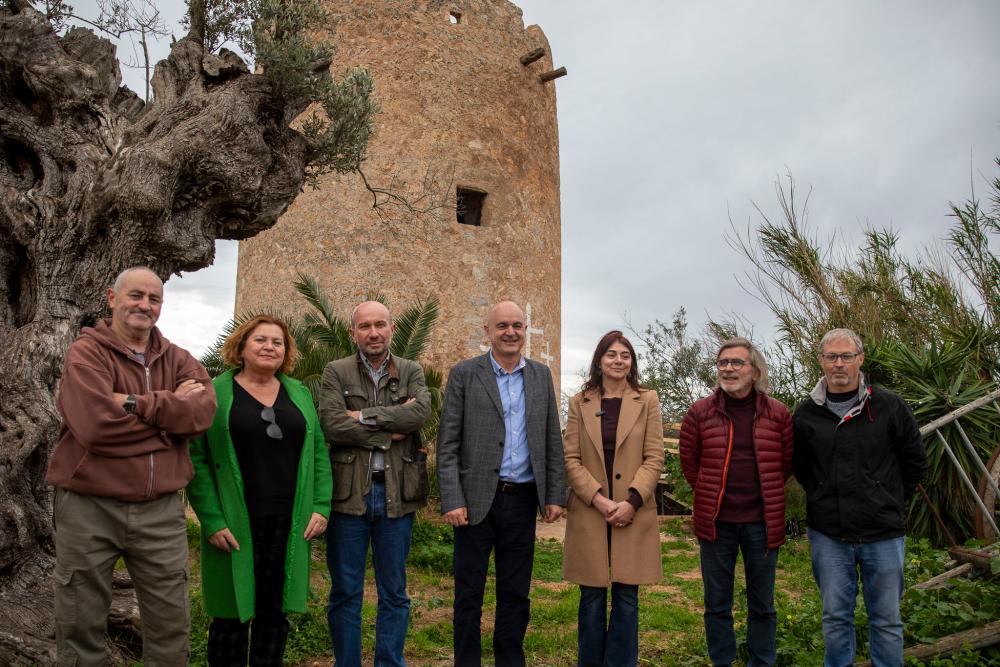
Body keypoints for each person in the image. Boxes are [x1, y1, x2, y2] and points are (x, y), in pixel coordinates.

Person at [46, 266, 216, 666]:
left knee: (170, 622)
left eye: (154, 299)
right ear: (112, 298)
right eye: (136, 296)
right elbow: (96, 429)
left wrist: (134, 403)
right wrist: (169, 420)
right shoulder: (85, 354)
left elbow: (202, 415)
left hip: (160, 510)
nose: (145, 305)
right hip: (90, 504)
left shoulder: (179, 358)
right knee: (80, 617)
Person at [187, 315, 332, 666]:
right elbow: (197, 459)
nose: (269, 347)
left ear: (286, 351)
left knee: (275, 613)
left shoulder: (298, 393)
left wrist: (321, 506)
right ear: (241, 346)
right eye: (260, 340)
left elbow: (319, 453)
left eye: (277, 342)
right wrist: (212, 520)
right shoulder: (215, 392)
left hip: (289, 520)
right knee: (231, 614)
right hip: (236, 521)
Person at [437, 300, 566, 667]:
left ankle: (510, 660)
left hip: (522, 500)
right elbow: (447, 444)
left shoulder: (540, 376)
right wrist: (452, 499)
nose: (511, 332)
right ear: (487, 332)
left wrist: (555, 493)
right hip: (476, 501)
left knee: (515, 593)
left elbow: (551, 439)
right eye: (502, 326)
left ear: (525, 330)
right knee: (468, 594)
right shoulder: (465, 374)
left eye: (517, 325)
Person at [793, 328, 926, 667]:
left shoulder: (889, 406)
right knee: (836, 620)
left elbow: (914, 462)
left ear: (860, 359)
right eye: (832, 357)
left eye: (846, 356)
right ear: (821, 361)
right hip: (829, 535)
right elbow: (801, 466)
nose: (839, 364)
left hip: (882, 533)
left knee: (887, 621)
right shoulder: (807, 413)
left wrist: (888, 499)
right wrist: (824, 494)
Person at [319, 301, 431, 667]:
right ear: (353, 333)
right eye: (364, 326)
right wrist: (387, 433)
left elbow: (419, 413)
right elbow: (332, 423)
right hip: (349, 496)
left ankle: (389, 662)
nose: (373, 332)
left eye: (380, 325)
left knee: (395, 592)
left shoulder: (411, 370)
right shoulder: (336, 372)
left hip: (398, 495)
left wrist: (364, 415)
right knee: (345, 592)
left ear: (392, 329)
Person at [679, 338, 793, 667]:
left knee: (763, 605)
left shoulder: (778, 414)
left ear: (755, 371)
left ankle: (762, 661)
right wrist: (708, 493)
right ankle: (722, 662)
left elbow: (784, 465)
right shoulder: (700, 412)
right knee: (716, 604)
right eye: (723, 363)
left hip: (762, 523)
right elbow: (690, 463)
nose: (727, 369)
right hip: (717, 525)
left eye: (736, 363)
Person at [562, 331, 664, 667]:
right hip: (592, 511)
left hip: (632, 512)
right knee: (591, 597)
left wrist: (631, 501)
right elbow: (571, 458)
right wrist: (599, 500)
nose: (618, 361)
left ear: (632, 362)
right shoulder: (580, 402)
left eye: (625, 355)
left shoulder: (647, 400)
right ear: (599, 360)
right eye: (611, 354)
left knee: (627, 597)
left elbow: (654, 457)